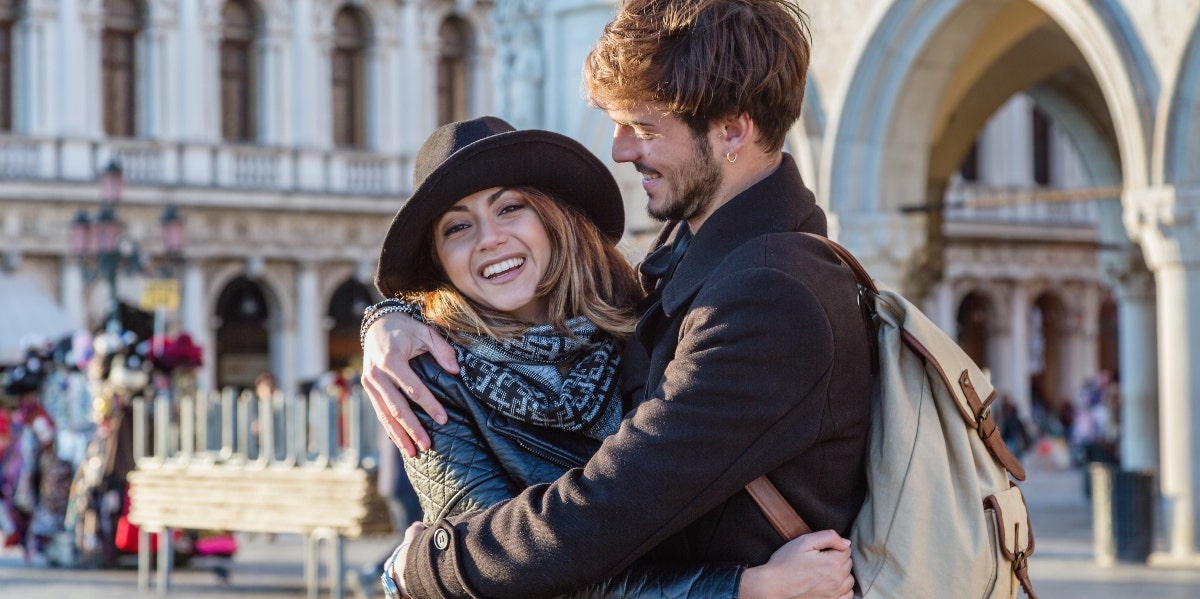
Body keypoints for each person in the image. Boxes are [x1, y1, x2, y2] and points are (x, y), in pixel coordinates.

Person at [363, 1, 873, 597]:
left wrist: (421, 568)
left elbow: (602, 513)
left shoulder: (768, 294)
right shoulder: (687, 266)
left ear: (733, 130)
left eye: (645, 128)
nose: (621, 150)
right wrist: (391, 317)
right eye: (457, 227)